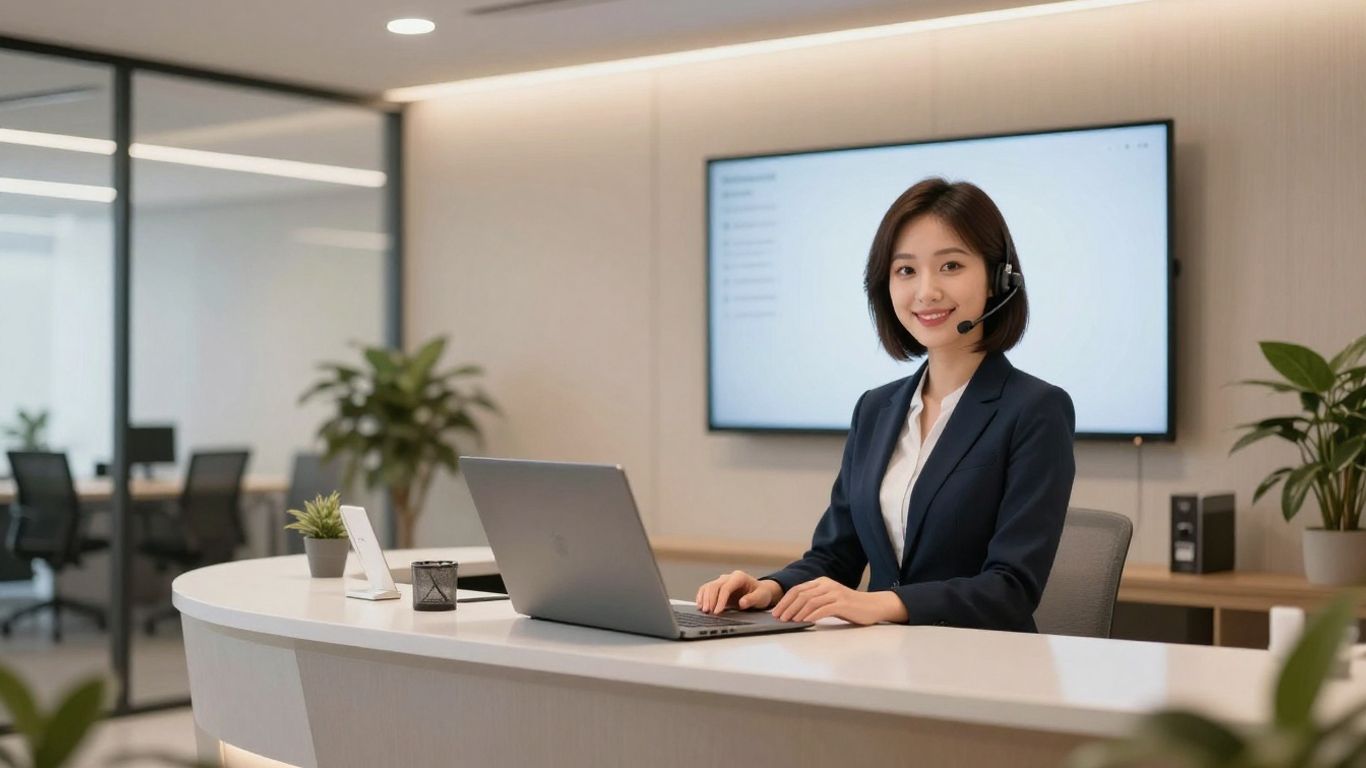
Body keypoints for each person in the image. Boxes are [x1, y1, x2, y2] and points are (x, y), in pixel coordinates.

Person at [695, 177, 1076, 632]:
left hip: (981, 666)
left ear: (998, 279)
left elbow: (1011, 588)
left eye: (951, 266)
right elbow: (835, 556)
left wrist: (884, 604)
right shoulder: (875, 409)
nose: (927, 291)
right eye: (906, 271)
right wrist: (770, 588)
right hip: (882, 661)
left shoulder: (1036, 409)